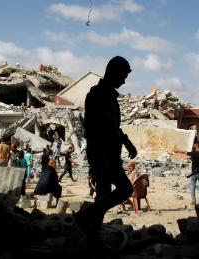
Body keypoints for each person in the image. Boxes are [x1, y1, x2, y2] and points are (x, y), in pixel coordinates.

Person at [75, 56, 137, 249]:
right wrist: (118, 144)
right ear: (114, 72)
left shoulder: (109, 96)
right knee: (126, 189)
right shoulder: (96, 95)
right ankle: (87, 215)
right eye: (123, 75)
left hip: (108, 152)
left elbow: (113, 127)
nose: (124, 81)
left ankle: (92, 239)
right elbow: (97, 129)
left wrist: (126, 142)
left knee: (103, 195)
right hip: (103, 154)